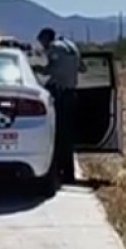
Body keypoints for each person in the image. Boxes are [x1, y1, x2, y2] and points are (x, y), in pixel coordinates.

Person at [32, 28, 86, 184]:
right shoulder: (72, 46)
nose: (42, 46)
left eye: (42, 42)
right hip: (71, 93)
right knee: (67, 136)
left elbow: (52, 69)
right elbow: (83, 68)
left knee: (55, 135)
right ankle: (68, 173)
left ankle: (56, 171)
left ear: (46, 38)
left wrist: (38, 69)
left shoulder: (54, 48)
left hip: (59, 94)